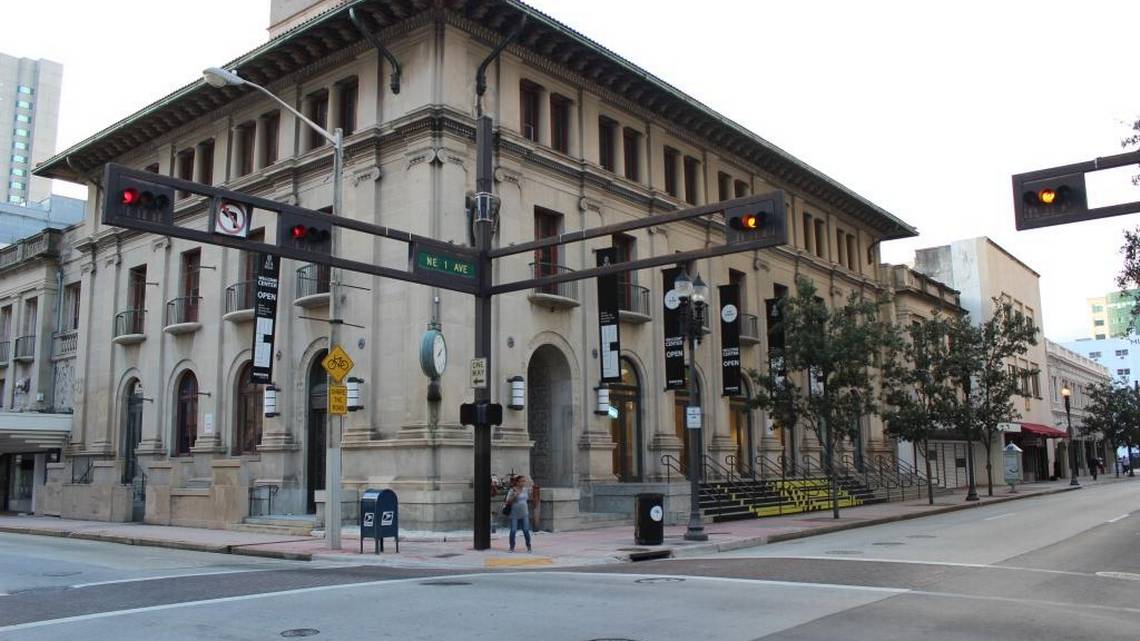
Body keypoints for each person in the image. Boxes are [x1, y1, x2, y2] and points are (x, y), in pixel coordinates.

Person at [503, 474, 532, 552]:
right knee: (513, 530)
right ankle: (511, 547)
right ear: (517, 482)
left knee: (526, 530)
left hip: (524, 513)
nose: (523, 483)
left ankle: (529, 546)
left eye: (524, 481)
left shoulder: (526, 490)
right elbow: (507, 501)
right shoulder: (512, 490)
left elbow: (528, 498)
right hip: (514, 513)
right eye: (522, 481)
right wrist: (514, 496)